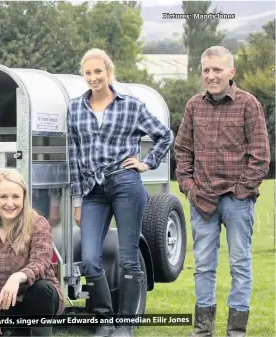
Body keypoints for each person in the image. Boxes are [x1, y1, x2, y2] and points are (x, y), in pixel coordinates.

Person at [67, 48, 173, 337]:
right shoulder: (75, 108)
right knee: (89, 259)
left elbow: (165, 135)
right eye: (88, 73)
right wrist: (77, 201)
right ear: (83, 75)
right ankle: (103, 318)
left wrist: (146, 162)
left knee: (128, 258)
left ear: (109, 73)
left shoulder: (131, 106)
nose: (93, 77)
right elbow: (74, 157)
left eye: (98, 72)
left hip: (126, 185)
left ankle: (125, 323)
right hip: (92, 191)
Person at [174, 45, 270, 337]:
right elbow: (182, 150)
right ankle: (203, 329)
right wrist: (189, 187)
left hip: (237, 200)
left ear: (231, 72)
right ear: (201, 72)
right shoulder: (193, 105)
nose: (211, 76)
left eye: (218, 69)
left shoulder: (248, 104)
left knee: (240, 263)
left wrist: (242, 191)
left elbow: (261, 156)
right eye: (206, 70)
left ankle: (236, 330)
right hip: (201, 199)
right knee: (203, 265)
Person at [0, 169, 64, 337]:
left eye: (15, 196)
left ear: (24, 197)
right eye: (3, 197)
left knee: (41, 289)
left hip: (33, 300)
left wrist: (17, 277)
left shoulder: (38, 224)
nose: (10, 203)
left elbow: (40, 263)